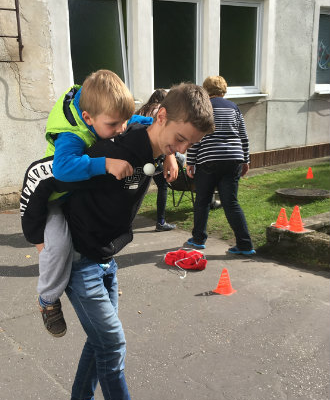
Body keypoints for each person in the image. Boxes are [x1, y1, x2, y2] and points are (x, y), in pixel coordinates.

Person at [21, 82, 215, 400]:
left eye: (189, 144)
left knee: (99, 341)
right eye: (179, 139)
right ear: (162, 116)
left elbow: (152, 140)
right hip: (80, 259)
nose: (182, 148)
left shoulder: (150, 141)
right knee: (112, 343)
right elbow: (47, 179)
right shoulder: (111, 149)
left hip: (106, 256)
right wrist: (38, 237)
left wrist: (170, 157)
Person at [30, 69, 178, 338]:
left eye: (123, 121)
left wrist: (167, 150)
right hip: (54, 200)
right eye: (113, 124)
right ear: (88, 118)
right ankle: (47, 300)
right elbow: (62, 169)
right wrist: (105, 164)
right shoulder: (70, 135)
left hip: (77, 197)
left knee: (103, 341)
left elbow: (143, 123)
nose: (121, 129)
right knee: (58, 247)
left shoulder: (109, 115)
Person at [185, 75, 255, 255]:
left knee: (202, 201)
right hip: (233, 159)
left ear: (205, 90)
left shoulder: (203, 108)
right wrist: (245, 160)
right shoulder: (234, 108)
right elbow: (243, 136)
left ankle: (198, 239)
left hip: (208, 159)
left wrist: (190, 161)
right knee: (230, 202)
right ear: (224, 90)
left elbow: (195, 137)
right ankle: (245, 245)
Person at [136, 89, 177, 231]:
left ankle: (125, 222)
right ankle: (161, 221)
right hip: (155, 156)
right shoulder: (161, 111)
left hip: (138, 155)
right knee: (163, 186)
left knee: (134, 188)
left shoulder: (141, 110)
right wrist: (168, 156)